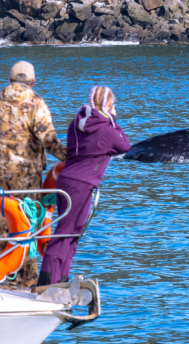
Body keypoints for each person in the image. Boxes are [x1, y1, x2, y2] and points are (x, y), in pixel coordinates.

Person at [0, 60, 66, 287]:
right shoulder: (36, 102)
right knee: (27, 224)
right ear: (33, 81)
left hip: (0, 176)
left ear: (10, 80)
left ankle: (2, 277)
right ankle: (27, 279)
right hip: (28, 178)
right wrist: (72, 159)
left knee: (2, 225)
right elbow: (49, 141)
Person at [38, 86, 130, 286]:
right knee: (66, 235)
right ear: (107, 106)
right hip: (81, 186)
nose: (114, 109)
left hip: (66, 181)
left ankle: (59, 281)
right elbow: (124, 146)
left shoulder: (74, 124)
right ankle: (47, 285)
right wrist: (114, 120)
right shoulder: (106, 130)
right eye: (112, 106)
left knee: (70, 235)